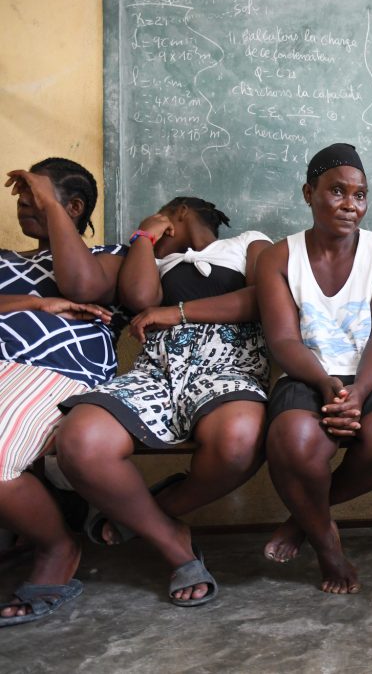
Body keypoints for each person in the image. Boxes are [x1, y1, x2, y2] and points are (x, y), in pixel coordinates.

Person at [55, 197, 271, 607]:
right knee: (81, 439)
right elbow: (139, 299)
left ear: (181, 213)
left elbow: (265, 298)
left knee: (240, 440)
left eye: (162, 219)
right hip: (157, 371)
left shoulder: (248, 243)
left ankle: (147, 511)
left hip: (228, 368)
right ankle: (172, 541)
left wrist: (178, 312)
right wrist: (144, 235)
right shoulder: (154, 261)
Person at [257, 143, 372, 594]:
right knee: (293, 439)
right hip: (307, 373)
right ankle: (328, 547)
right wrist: (325, 383)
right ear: (308, 193)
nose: (350, 204)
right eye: (337, 191)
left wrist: (359, 392)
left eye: (360, 195)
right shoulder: (279, 257)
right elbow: (283, 340)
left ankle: (305, 518)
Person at [0, 158, 125, 627]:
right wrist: (37, 303)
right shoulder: (6, 259)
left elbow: (82, 287)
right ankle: (45, 512)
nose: (25, 205)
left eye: (36, 198)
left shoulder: (111, 255)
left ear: (72, 207)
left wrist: (50, 205)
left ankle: (57, 547)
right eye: (24, 198)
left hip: (57, 366)